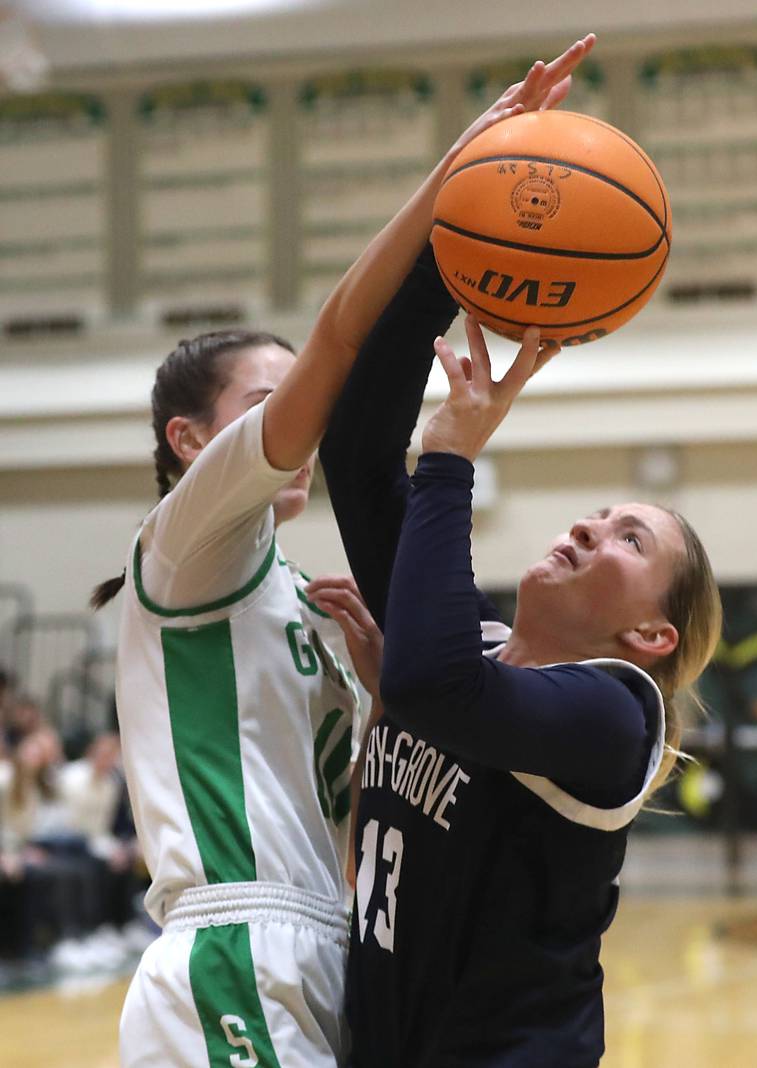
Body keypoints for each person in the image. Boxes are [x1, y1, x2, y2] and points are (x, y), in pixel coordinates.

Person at [90, 35, 596, 1068]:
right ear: (193, 442)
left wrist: (381, 697)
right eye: (269, 402)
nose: (304, 421)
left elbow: (349, 812)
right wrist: (462, 174)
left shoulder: (301, 599)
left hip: (333, 951)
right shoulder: (186, 547)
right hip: (238, 950)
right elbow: (339, 342)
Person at [315, 194, 722, 1068]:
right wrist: (446, 255)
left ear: (653, 633)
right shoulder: (470, 653)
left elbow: (438, 686)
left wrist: (456, 456)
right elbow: (355, 457)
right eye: (599, 514)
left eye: (629, 539)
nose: (587, 528)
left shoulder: (617, 715)